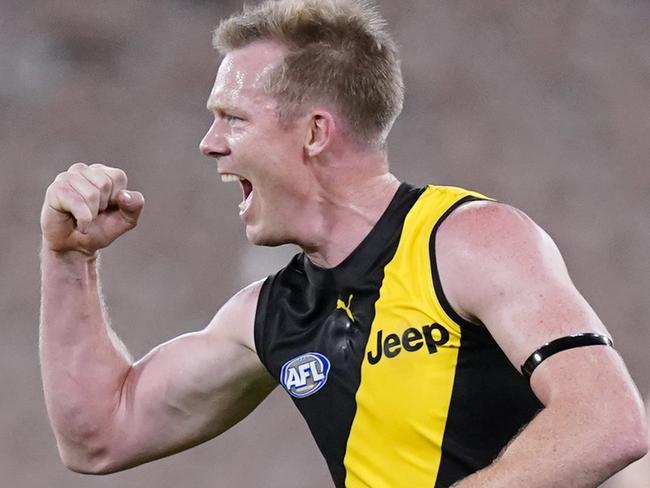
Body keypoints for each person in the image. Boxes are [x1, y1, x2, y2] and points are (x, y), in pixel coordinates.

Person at [39, 1, 648, 487]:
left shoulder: (468, 240)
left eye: (233, 118)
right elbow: (99, 437)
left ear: (314, 133)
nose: (210, 143)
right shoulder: (270, 315)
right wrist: (70, 260)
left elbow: (608, 421)